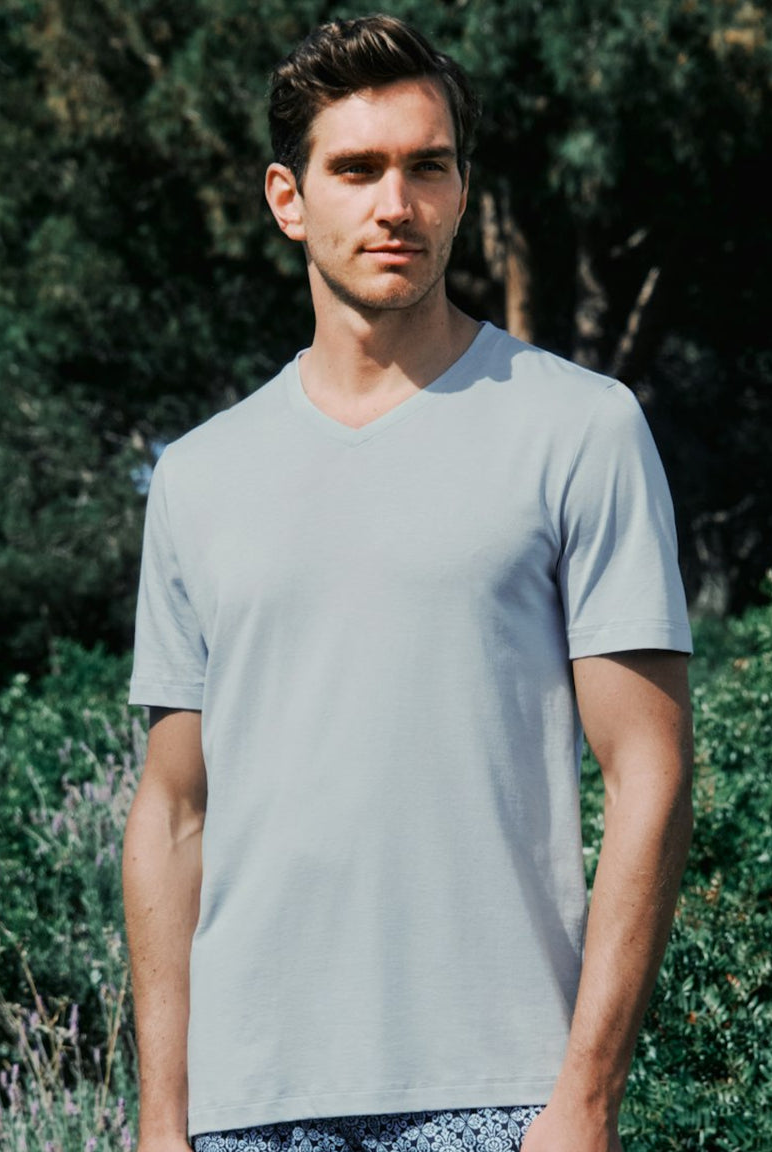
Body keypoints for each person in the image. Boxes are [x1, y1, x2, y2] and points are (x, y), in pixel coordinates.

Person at [122, 14, 694, 1152]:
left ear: (461, 191)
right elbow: (174, 812)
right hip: (249, 1107)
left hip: (500, 1092)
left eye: (427, 167)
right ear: (288, 199)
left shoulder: (579, 427)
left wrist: (583, 1101)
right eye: (357, 169)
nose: (397, 203)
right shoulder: (197, 477)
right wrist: (163, 1117)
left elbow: (650, 769)